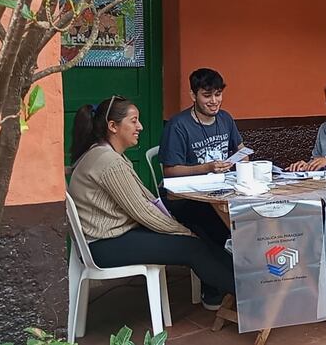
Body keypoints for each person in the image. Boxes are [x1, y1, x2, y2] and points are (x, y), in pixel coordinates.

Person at [67, 95, 235, 311]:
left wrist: (179, 226)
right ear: (113, 126)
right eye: (134, 120)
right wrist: (180, 230)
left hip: (108, 238)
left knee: (196, 233)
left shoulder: (103, 154)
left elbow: (146, 199)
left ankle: (239, 286)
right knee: (193, 247)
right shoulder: (108, 162)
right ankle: (249, 293)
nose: (140, 126)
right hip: (104, 245)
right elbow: (143, 212)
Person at [159, 68, 245, 249]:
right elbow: (169, 172)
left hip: (222, 190)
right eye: (207, 96)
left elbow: (241, 151)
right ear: (193, 95)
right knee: (219, 226)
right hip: (187, 198)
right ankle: (221, 270)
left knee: (246, 213)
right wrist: (206, 168)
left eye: (218, 94)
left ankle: (241, 261)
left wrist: (242, 163)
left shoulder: (225, 118)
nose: (214, 101)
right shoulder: (178, 125)